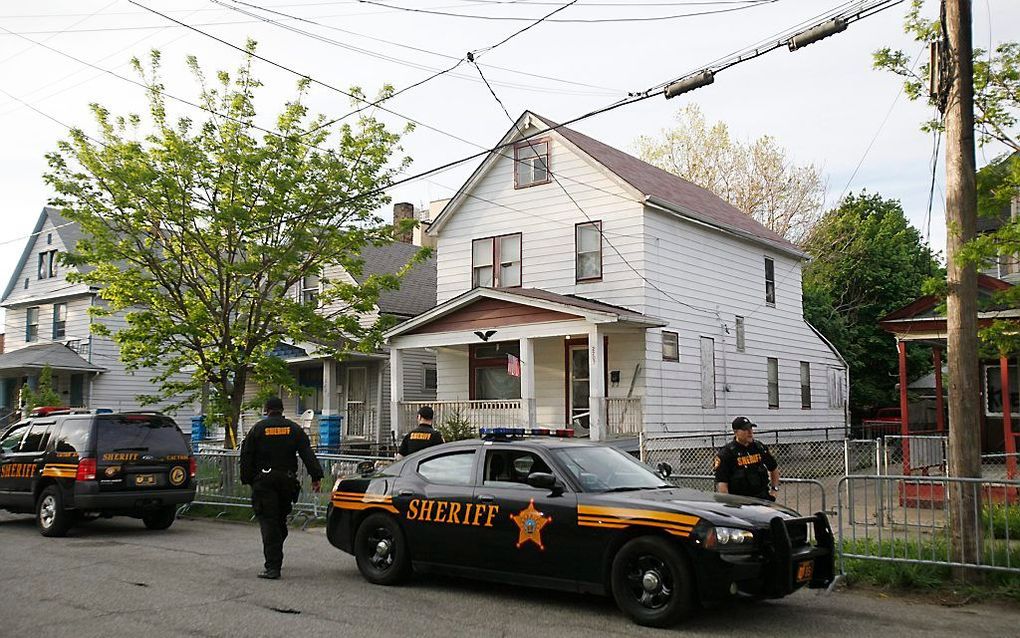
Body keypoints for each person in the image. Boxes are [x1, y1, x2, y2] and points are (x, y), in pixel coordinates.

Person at [240, 397, 324, 580]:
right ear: (281, 409)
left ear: (266, 409)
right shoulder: (293, 429)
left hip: (264, 483)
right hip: (286, 482)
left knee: (269, 524)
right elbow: (307, 453)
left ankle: (272, 567)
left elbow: (246, 455)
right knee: (279, 521)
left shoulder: (258, 429)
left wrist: (247, 480)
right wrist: (316, 476)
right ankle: (276, 551)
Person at [713, 416, 780, 501]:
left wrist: (774, 490)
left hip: (763, 500)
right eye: (745, 429)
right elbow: (722, 485)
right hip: (740, 504)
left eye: (751, 428)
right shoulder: (726, 454)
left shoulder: (759, 448)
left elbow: (773, 468)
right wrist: (729, 505)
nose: (750, 432)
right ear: (736, 432)